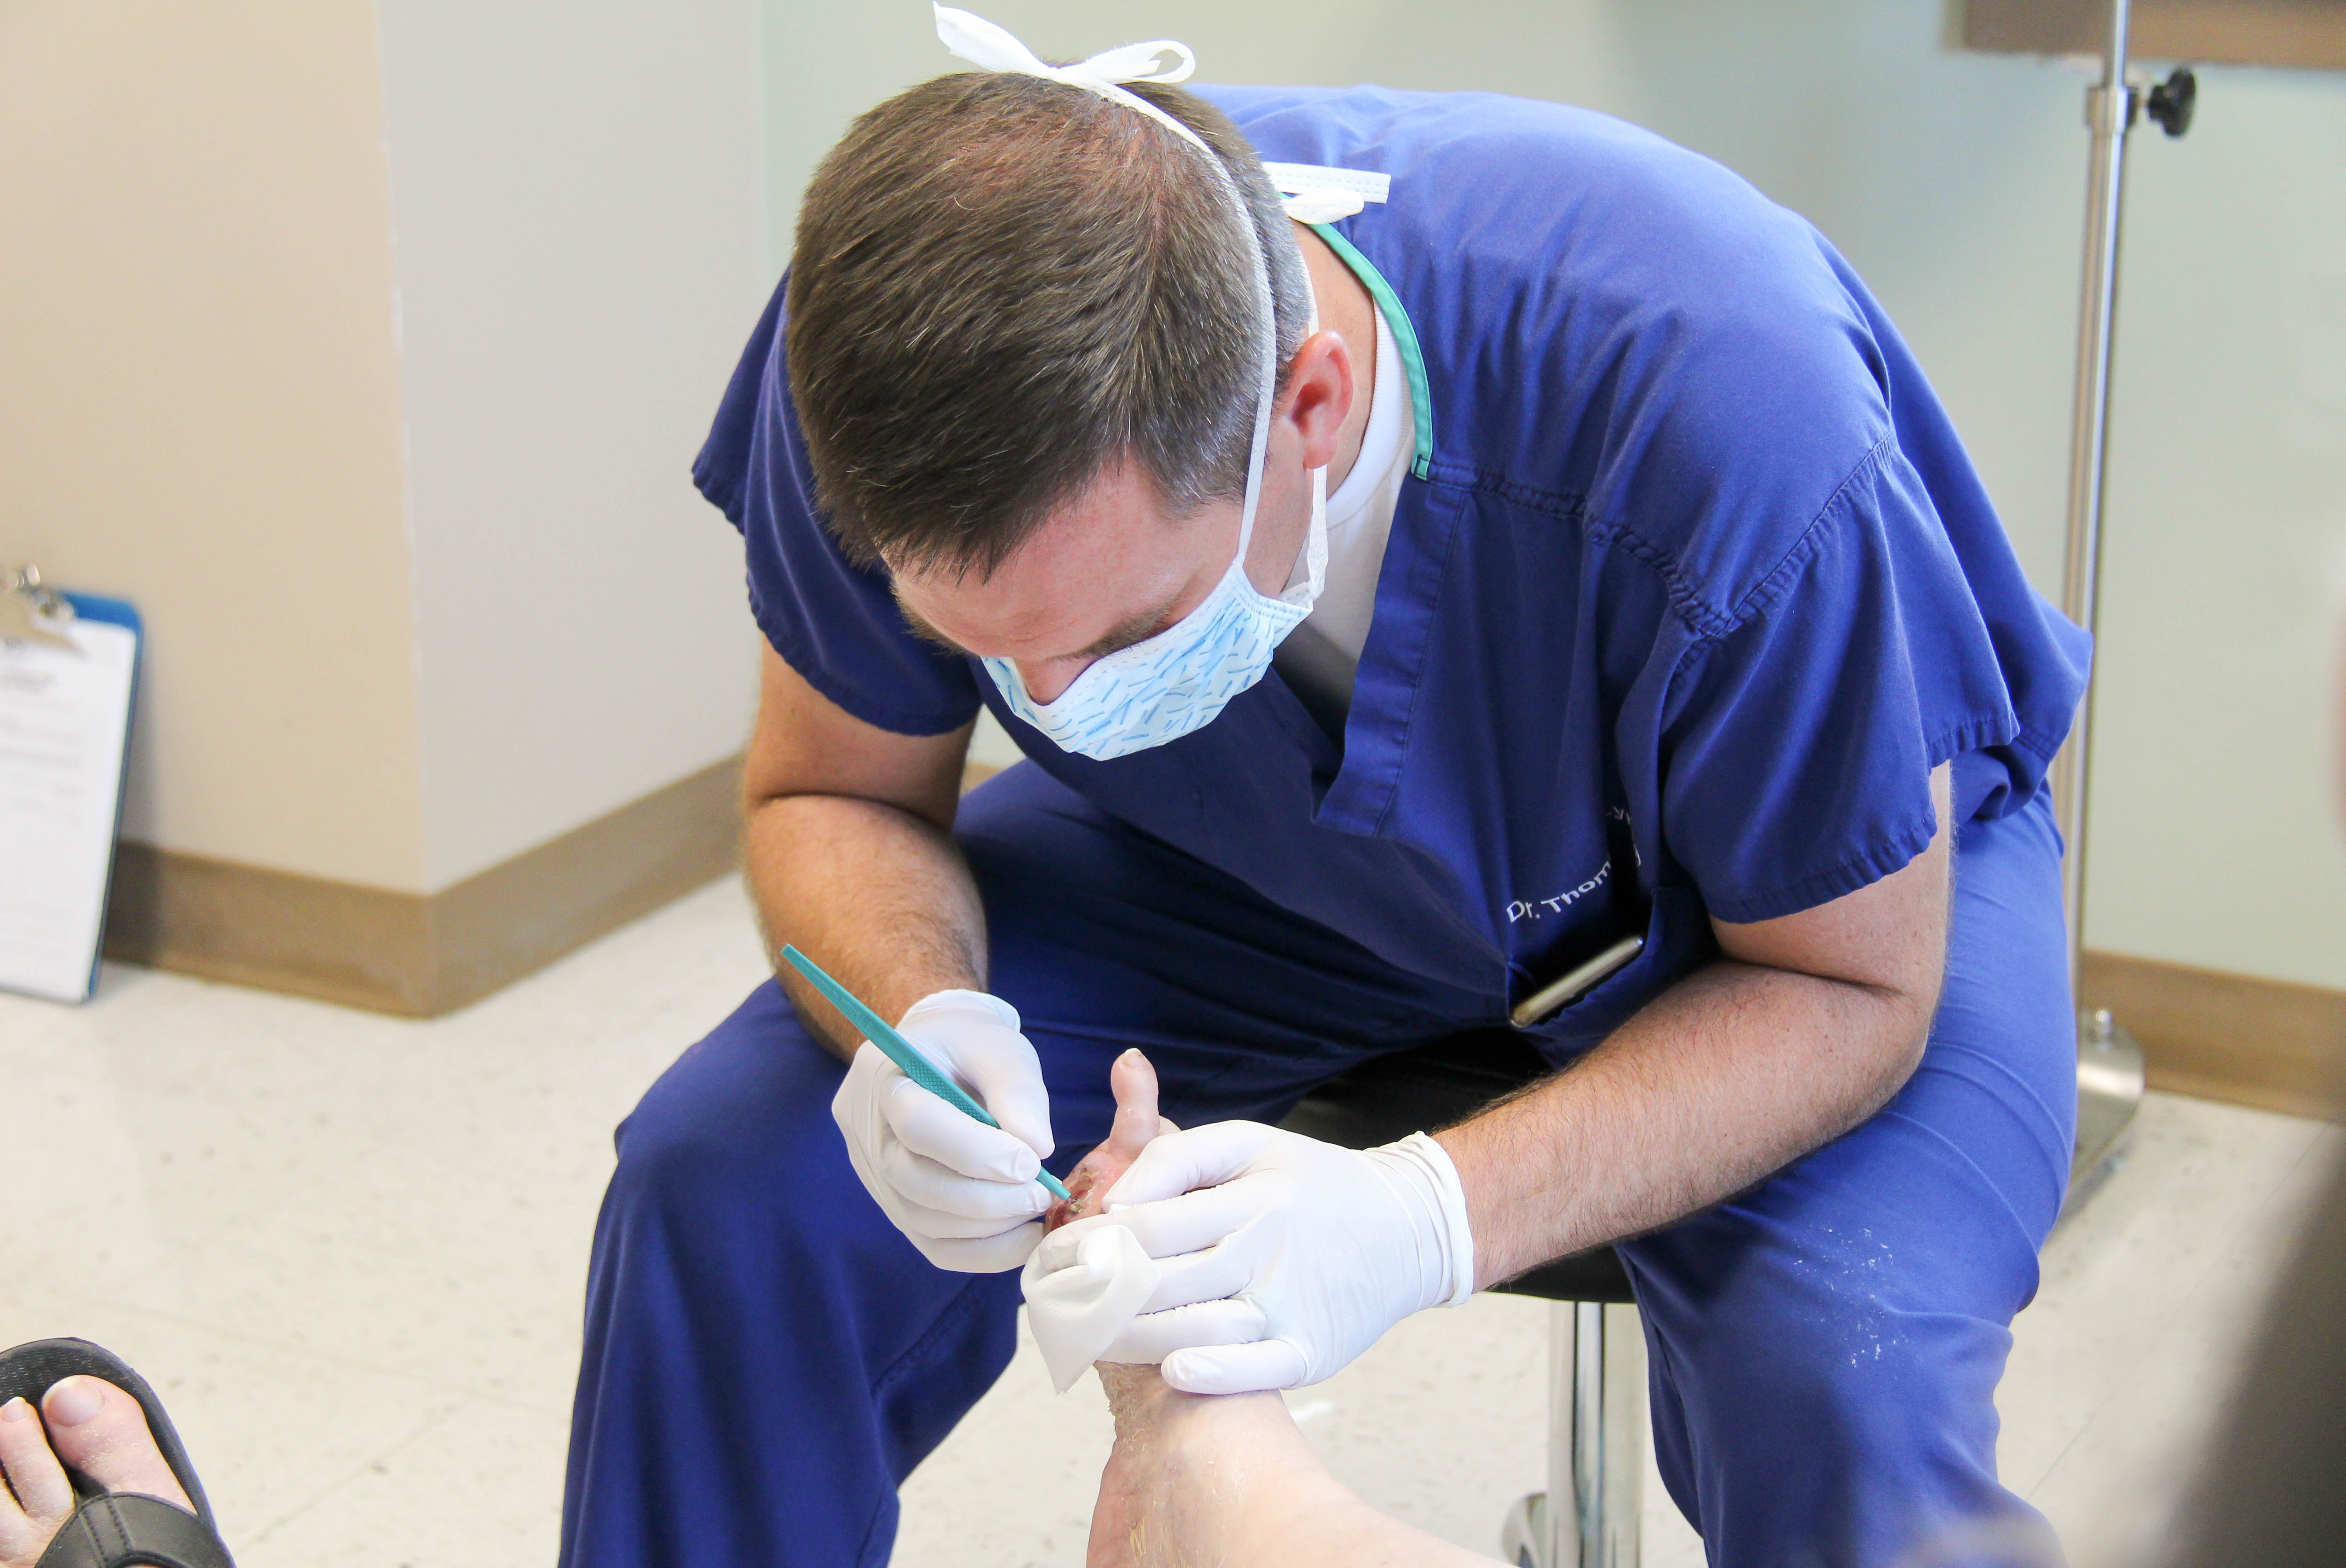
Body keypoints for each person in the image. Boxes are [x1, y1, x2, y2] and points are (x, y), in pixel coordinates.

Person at [559, 9, 2092, 1567]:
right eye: (990, 656)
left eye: (1126, 630)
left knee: (1846, 1390)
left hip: (1796, 907)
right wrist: (925, 1023)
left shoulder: (1716, 400)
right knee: (732, 1186)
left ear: (1310, 404)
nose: (1060, 705)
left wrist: (1419, 1215)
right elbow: (838, 792)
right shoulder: (879, 378)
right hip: (1239, 855)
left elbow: (1851, 989)